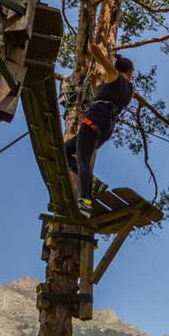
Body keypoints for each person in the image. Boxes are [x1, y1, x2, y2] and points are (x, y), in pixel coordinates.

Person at [65, 42, 134, 216]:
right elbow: (107, 97)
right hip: (103, 128)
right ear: (131, 73)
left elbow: (98, 53)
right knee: (64, 151)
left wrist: (92, 45)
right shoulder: (129, 90)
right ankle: (94, 184)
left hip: (95, 121)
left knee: (83, 160)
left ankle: (86, 202)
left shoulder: (115, 76)